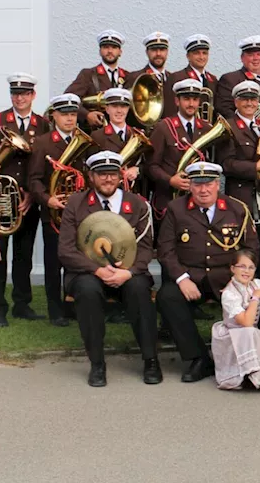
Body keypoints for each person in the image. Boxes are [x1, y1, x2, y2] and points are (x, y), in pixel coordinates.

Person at [56, 151, 160, 387]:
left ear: (121, 175)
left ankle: (151, 360)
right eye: (102, 175)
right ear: (91, 176)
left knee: (138, 290)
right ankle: (97, 364)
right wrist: (97, 270)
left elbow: (146, 248)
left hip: (128, 272)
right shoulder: (76, 203)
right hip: (88, 273)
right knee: (88, 291)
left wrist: (130, 272)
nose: (108, 179)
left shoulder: (137, 204)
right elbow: (66, 250)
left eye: (112, 174)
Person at [156, 161, 257, 383]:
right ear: (189, 186)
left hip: (227, 278)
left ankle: (244, 357)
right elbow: (166, 249)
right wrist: (182, 279)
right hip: (192, 277)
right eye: (197, 184)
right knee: (167, 296)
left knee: (254, 298)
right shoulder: (176, 209)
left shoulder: (237, 208)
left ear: (217, 184)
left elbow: (251, 248)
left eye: (209, 184)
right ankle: (198, 358)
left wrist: (239, 278)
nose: (203, 190)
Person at [0, 72, 49, 328]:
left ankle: (22, 304)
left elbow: (44, 164)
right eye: (15, 93)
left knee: (24, 255)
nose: (20, 98)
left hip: (26, 201)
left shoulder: (43, 124)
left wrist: (32, 194)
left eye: (25, 93)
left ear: (33, 95)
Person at [27, 93, 88, 326]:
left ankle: (73, 305)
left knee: (79, 262)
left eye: (73, 114)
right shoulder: (43, 142)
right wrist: (47, 199)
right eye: (65, 115)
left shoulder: (85, 140)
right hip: (53, 213)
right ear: (54, 116)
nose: (70, 119)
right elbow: (34, 179)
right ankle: (55, 310)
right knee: (54, 262)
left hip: (79, 213)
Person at [220, 80, 260, 278]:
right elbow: (226, 164)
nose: (249, 103)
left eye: (253, 99)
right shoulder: (228, 126)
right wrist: (256, 167)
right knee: (243, 249)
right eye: (244, 99)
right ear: (236, 102)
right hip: (241, 198)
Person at [212, 249, 260, 391]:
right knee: (249, 333)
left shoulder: (255, 284)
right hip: (232, 335)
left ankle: (256, 376)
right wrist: (255, 298)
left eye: (251, 267)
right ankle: (242, 376)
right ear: (233, 269)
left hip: (250, 333)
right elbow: (246, 322)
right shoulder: (229, 294)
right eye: (242, 267)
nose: (246, 271)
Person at [146, 79, 213, 218]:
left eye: (195, 99)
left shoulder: (206, 128)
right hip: (169, 199)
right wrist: (170, 180)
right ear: (177, 101)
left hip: (198, 201)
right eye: (186, 99)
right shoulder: (164, 127)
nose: (191, 104)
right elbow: (151, 166)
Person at [65, 30, 130, 130]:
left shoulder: (128, 76)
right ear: (100, 51)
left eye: (114, 47)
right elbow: (68, 99)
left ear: (120, 52)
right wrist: (87, 115)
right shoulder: (88, 74)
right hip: (94, 133)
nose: (110, 51)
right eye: (105, 47)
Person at [86, 87, 145, 192]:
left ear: (128, 109)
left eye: (123, 106)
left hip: (134, 193)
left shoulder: (138, 134)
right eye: (114, 106)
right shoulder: (97, 136)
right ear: (107, 109)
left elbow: (148, 164)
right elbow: (90, 169)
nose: (119, 111)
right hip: (107, 192)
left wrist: (137, 170)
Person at [214, 35, 260, 120]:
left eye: (259, 54)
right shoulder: (230, 79)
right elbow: (225, 110)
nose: (255, 58)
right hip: (244, 131)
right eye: (250, 55)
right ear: (242, 58)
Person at [161, 33, 217, 121]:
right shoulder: (176, 77)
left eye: (204, 53)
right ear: (188, 56)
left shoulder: (213, 79)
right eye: (197, 53)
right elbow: (169, 109)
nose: (201, 57)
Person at [131, 30, 172, 115]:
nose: (158, 54)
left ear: (167, 52)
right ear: (147, 52)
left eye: (162, 49)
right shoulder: (135, 78)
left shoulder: (173, 78)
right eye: (154, 50)